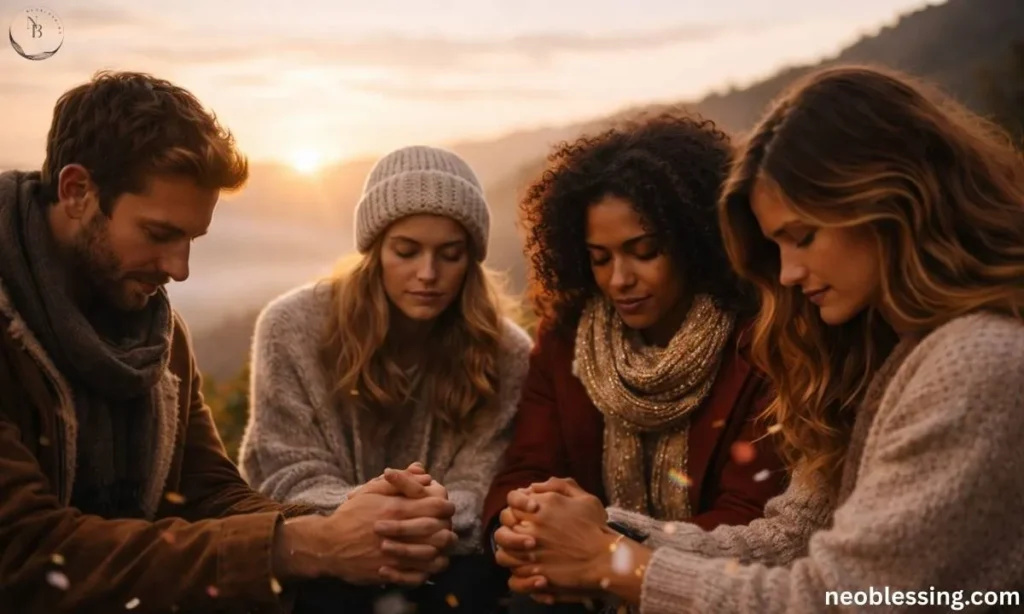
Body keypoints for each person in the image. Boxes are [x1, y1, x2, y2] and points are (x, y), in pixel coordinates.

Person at [493, 65, 1024, 612]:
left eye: (803, 237)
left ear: (893, 200)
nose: (788, 273)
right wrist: (595, 532)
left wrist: (609, 562)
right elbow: (790, 538)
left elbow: (833, 598)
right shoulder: (891, 349)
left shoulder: (976, 360)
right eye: (778, 246)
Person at [0, 71, 459, 613]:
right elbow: (23, 553)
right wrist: (300, 546)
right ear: (77, 191)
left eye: (192, 240)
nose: (181, 269)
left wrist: (349, 523)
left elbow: (206, 494)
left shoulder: (158, 338)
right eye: (159, 233)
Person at [484, 110, 788, 610]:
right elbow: (526, 469)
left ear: (694, 240)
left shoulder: (758, 344)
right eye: (600, 258)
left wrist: (596, 545)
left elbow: (749, 514)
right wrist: (518, 532)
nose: (618, 279)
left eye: (643, 251)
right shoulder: (566, 340)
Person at [238, 145, 534, 612]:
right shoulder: (290, 327)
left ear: (471, 259)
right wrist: (368, 516)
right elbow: (282, 471)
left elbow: (481, 487)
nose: (428, 274)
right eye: (406, 251)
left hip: (448, 567)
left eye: (451, 254)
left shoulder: (507, 353)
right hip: (325, 565)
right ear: (374, 249)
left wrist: (406, 521)